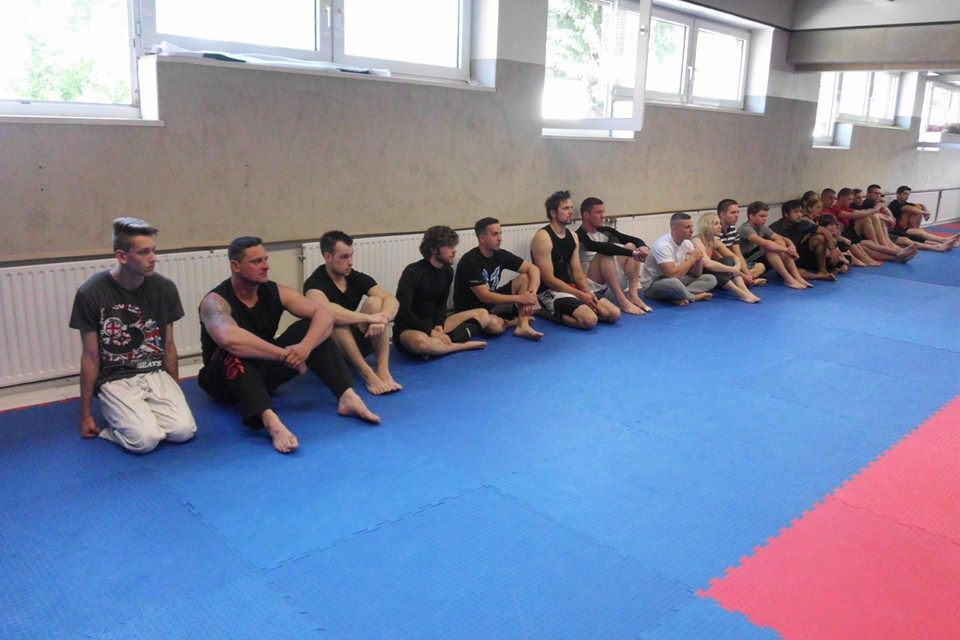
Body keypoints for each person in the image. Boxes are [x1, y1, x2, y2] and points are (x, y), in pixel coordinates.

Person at [198, 236, 379, 454]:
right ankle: (271, 422)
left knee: (309, 328)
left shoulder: (276, 291)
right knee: (233, 352)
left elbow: (324, 315)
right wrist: (284, 354)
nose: (266, 266)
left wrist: (304, 348)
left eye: (265, 259)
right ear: (235, 266)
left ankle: (347, 397)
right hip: (223, 382)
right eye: (256, 261)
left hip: (263, 372)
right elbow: (230, 339)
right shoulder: (214, 302)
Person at [69, 217, 196, 453]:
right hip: (114, 377)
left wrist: (175, 391)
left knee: (183, 431)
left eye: (154, 250)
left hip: (154, 371)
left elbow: (168, 345)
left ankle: (141, 416)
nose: (153, 258)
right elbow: (90, 357)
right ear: (122, 256)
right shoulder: (91, 293)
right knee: (145, 441)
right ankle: (116, 427)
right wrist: (86, 415)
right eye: (144, 252)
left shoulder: (165, 288)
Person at [303, 231, 402, 395]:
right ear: (327, 257)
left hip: (354, 344)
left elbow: (391, 299)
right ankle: (367, 374)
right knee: (333, 321)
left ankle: (383, 370)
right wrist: (370, 318)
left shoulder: (355, 277)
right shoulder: (314, 283)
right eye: (344, 257)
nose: (350, 262)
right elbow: (328, 311)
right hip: (329, 351)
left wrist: (383, 317)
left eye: (351, 256)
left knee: (376, 302)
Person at [393, 225, 490, 356]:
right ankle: (460, 345)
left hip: (434, 324)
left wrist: (439, 324)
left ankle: (440, 345)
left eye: (454, 246)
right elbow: (402, 312)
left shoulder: (447, 271)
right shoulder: (413, 272)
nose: (454, 250)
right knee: (421, 343)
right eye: (449, 246)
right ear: (434, 249)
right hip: (410, 328)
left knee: (483, 314)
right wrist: (430, 332)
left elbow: (441, 303)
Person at [531, 190, 621, 328]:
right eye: (565, 208)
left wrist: (588, 293)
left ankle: (576, 309)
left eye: (571, 208)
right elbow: (548, 279)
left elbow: (577, 272)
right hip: (548, 291)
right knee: (590, 320)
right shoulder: (543, 237)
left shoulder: (573, 236)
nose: (571, 211)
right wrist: (579, 295)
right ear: (553, 213)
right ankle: (546, 312)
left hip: (569, 287)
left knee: (614, 314)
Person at [453, 217, 544, 340]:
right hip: (471, 310)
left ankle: (523, 325)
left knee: (525, 278)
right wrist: (522, 299)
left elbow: (533, 269)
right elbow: (485, 296)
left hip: (490, 304)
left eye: (500, 233)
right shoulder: (470, 261)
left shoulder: (500, 254)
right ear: (482, 238)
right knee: (496, 327)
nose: (500, 238)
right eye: (495, 234)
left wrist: (531, 295)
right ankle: (509, 322)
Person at [576, 196, 653, 315]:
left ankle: (633, 295)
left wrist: (643, 246)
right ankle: (622, 301)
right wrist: (632, 254)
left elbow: (631, 239)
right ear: (586, 215)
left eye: (603, 212)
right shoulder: (579, 235)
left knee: (631, 246)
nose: (603, 216)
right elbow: (598, 247)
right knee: (605, 255)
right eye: (598, 212)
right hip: (593, 286)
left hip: (610, 281)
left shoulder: (605, 231)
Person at [640, 212, 717, 305]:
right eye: (687, 227)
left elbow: (696, 274)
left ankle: (678, 296)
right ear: (675, 229)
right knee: (674, 283)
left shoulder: (687, 243)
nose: (692, 230)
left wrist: (698, 260)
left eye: (691, 226)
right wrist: (692, 259)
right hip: (653, 285)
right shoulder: (662, 246)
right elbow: (672, 276)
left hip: (676, 280)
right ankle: (692, 297)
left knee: (710, 279)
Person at [828, 187, 917, 263]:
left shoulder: (847, 208)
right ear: (842, 198)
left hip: (853, 235)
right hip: (847, 236)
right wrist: (875, 210)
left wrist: (888, 217)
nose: (851, 201)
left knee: (870, 239)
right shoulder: (835, 209)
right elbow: (853, 215)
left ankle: (897, 254)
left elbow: (862, 212)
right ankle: (897, 255)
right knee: (866, 243)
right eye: (850, 199)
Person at [738, 201, 812, 289]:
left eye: (766, 216)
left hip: (755, 260)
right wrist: (787, 250)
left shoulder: (762, 228)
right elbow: (765, 244)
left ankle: (797, 277)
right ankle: (789, 280)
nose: (764, 219)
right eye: (761, 216)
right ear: (751, 216)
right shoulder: (745, 229)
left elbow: (783, 238)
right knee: (769, 248)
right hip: (744, 261)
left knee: (780, 242)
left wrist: (792, 246)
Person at [769, 199, 846, 280]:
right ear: (786, 214)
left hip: (799, 254)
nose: (799, 215)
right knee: (792, 272)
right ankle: (819, 276)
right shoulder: (774, 228)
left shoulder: (802, 224)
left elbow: (825, 231)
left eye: (801, 212)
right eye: (796, 212)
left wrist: (833, 249)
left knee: (820, 237)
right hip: (785, 257)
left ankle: (822, 270)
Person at [693, 212, 760, 303]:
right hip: (696, 272)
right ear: (707, 225)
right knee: (717, 270)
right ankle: (740, 293)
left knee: (729, 260)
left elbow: (734, 256)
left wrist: (737, 267)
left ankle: (744, 290)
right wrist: (732, 269)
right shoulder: (697, 240)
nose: (720, 226)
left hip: (712, 271)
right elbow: (708, 264)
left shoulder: (714, 240)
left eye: (720, 223)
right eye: (716, 224)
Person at [806, 193, 881, 267]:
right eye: (830, 198)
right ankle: (855, 258)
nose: (833, 201)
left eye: (834, 198)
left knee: (849, 238)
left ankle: (860, 257)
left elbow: (857, 213)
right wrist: (838, 241)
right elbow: (824, 231)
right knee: (841, 238)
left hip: (840, 237)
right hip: (819, 248)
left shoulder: (828, 211)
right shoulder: (811, 219)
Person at [884, 186, 959, 251]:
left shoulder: (904, 203)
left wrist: (926, 210)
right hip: (894, 229)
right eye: (905, 194)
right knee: (915, 236)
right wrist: (924, 213)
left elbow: (919, 205)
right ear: (898, 194)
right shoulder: (894, 203)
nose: (907, 196)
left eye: (908, 194)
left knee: (919, 230)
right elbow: (908, 208)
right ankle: (940, 244)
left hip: (901, 228)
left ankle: (944, 241)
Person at [717, 198, 766, 285]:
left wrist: (747, 275)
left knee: (760, 266)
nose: (736, 215)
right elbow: (720, 259)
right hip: (721, 266)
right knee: (729, 262)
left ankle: (743, 280)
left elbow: (738, 254)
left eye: (738, 212)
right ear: (722, 214)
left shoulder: (733, 230)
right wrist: (744, 275)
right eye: (733, 212)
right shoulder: (715, 231)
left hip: (732, 264)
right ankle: (743, 281)